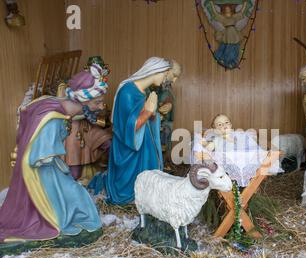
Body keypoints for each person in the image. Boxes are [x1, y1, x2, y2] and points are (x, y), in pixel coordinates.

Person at [0, 65, 108, 242]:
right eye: (96, 103)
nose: (99, 107)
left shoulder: (53, 104)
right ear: (83, 101)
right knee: (76, 193)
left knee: (75, 188)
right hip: (40, 170)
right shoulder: (53, 118)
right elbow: (41, 154)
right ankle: (57, 218)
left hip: (47, 164)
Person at [89, 57, 181, 205]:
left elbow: (144, 118)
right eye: (164, 75)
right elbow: (128, 127)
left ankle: (144, 193)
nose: (165, 79)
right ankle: (129, 194)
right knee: (127, 184)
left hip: (141, 144)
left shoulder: (141, 92)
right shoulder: (127, 92)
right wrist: (148, 111)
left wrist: (152, 114)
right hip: (128, 148)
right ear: (155, 71)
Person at [64, 56, 112, 183]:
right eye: (98, 102)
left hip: (87, 127)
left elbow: (95, 116)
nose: (101, 105)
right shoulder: (72, 106)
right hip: (73, 132)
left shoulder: (89, 106)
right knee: (74, 167)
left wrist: (96, 115)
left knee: (107, 142)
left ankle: (104, 167)